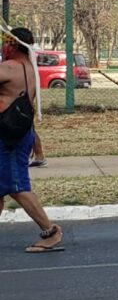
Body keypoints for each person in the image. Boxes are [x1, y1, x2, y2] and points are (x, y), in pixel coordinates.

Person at [0, 27, 63, 252]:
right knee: (2, 185)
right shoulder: (31, 68)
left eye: (5, 43)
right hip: (20, 134)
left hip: (10, 138)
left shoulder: (9, 68)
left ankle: (50, 232)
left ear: (13, 45)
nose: (3, 47)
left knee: (16, 186)